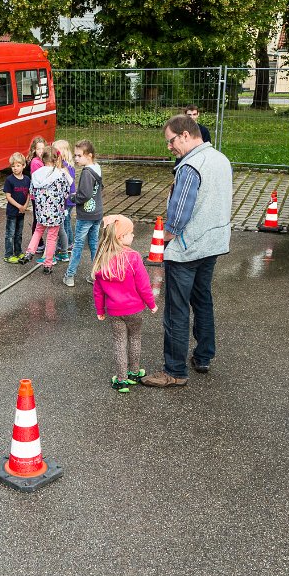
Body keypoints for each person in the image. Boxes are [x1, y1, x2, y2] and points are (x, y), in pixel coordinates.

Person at [142, 115, 232, 388]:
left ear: (184, 135)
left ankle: (175, 370)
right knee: (202, 300)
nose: (169, 147)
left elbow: (179, 215)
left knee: (176, 310)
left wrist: (162, 240)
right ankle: (203, 356)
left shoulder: (190, 166)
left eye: (170, 141)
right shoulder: (220, 158)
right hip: (213, 244)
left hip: (187, 248)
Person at [93, 215, 157, 393]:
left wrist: (100, 309)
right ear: (120, 237)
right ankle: (134, 373)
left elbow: (98, 290)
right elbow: (143, 285)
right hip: (135, 309)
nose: (133, 236)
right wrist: (151, 304)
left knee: (119, 342)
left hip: (114, 311)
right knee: (135, 338)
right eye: (130, 233)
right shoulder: (134, 257)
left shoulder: (102, 259)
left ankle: (121, 380)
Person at [20, 147, 70, 274]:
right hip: (55, 212)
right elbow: (66, 192)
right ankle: (48, 264)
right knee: (52, 237)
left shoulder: (36, 174)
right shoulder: (60, 175)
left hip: (41, 211)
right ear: (56, 158)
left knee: (38, 231)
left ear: (42, 159)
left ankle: (29, 252)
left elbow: (32, 191)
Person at [63, 140, 104, 287]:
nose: (76, 159)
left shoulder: (87, 173)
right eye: (75, 155)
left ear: (89, 156)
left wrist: (72, 197)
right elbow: (100, 188)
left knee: (78, 246)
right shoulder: (97, 168)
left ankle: (70, 275)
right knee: (94, 245)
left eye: (79, 156)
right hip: (97, 214)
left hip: (86, 216)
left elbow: (84, 195)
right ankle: (96, 276)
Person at [3, 152, 31, 263]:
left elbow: (28, 194)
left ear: (23, 166)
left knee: (19, 233)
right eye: (13, 166)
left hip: (21, 212)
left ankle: (18, 252)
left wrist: (25, 206)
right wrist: (19, 206)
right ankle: (8, 254)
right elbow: (8, 196)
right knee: (10, 233)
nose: (15, 168)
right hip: (12, 211)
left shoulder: (27, 179)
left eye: (18, 165)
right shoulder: (9, 180)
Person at [53, 139, 77, 260]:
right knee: (66, 221)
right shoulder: (67, 165)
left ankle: (67, 245)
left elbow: (69, 182)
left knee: (65, 222)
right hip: (69, 199)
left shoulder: (65, 166)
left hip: (67, 200)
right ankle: (68, 244)